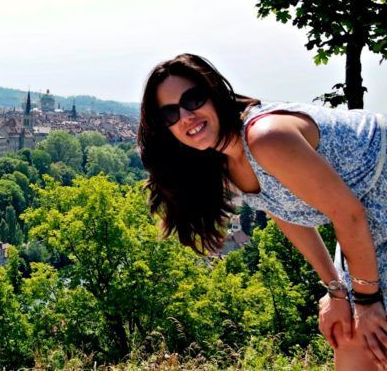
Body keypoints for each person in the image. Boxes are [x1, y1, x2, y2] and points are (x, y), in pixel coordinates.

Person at [138, 53, 387, 369]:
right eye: (170, 114)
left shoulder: (265, 137)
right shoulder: (224, 163)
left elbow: (349, 216)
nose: (186, 115)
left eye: (193, 99)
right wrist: (337, 291)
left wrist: (365, 301)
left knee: (372, 338)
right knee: (351, 337)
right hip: (369, 217)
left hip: (371, 206)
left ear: (214, 93)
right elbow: (285, 212)